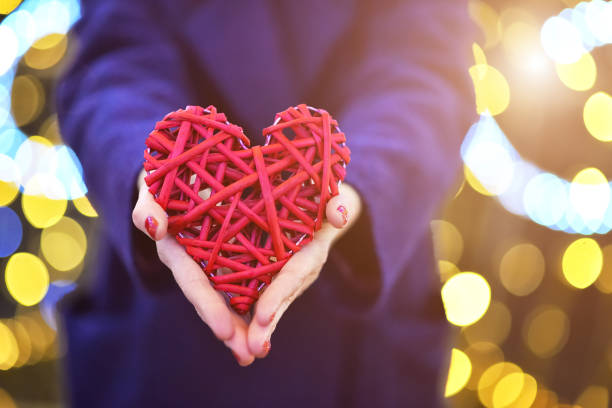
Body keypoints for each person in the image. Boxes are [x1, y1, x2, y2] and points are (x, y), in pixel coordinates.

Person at [56, 0, 475, 406]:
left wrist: (361, 181)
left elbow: (425, 66)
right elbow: (114, 60)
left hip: (358, 326)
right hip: (163, 327)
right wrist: (158, 172)